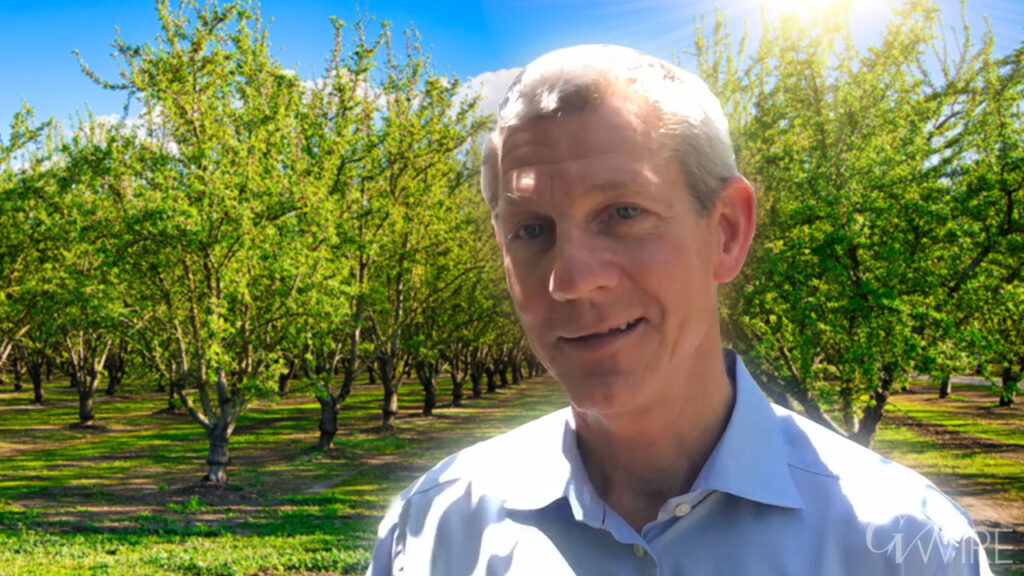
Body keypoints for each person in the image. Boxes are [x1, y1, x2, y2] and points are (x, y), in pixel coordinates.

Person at [367, 45, 991, 575]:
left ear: (725, 231)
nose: (571, 280)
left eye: (623, 213)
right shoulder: (432, 534)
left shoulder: (909, 549)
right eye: (531, 230)